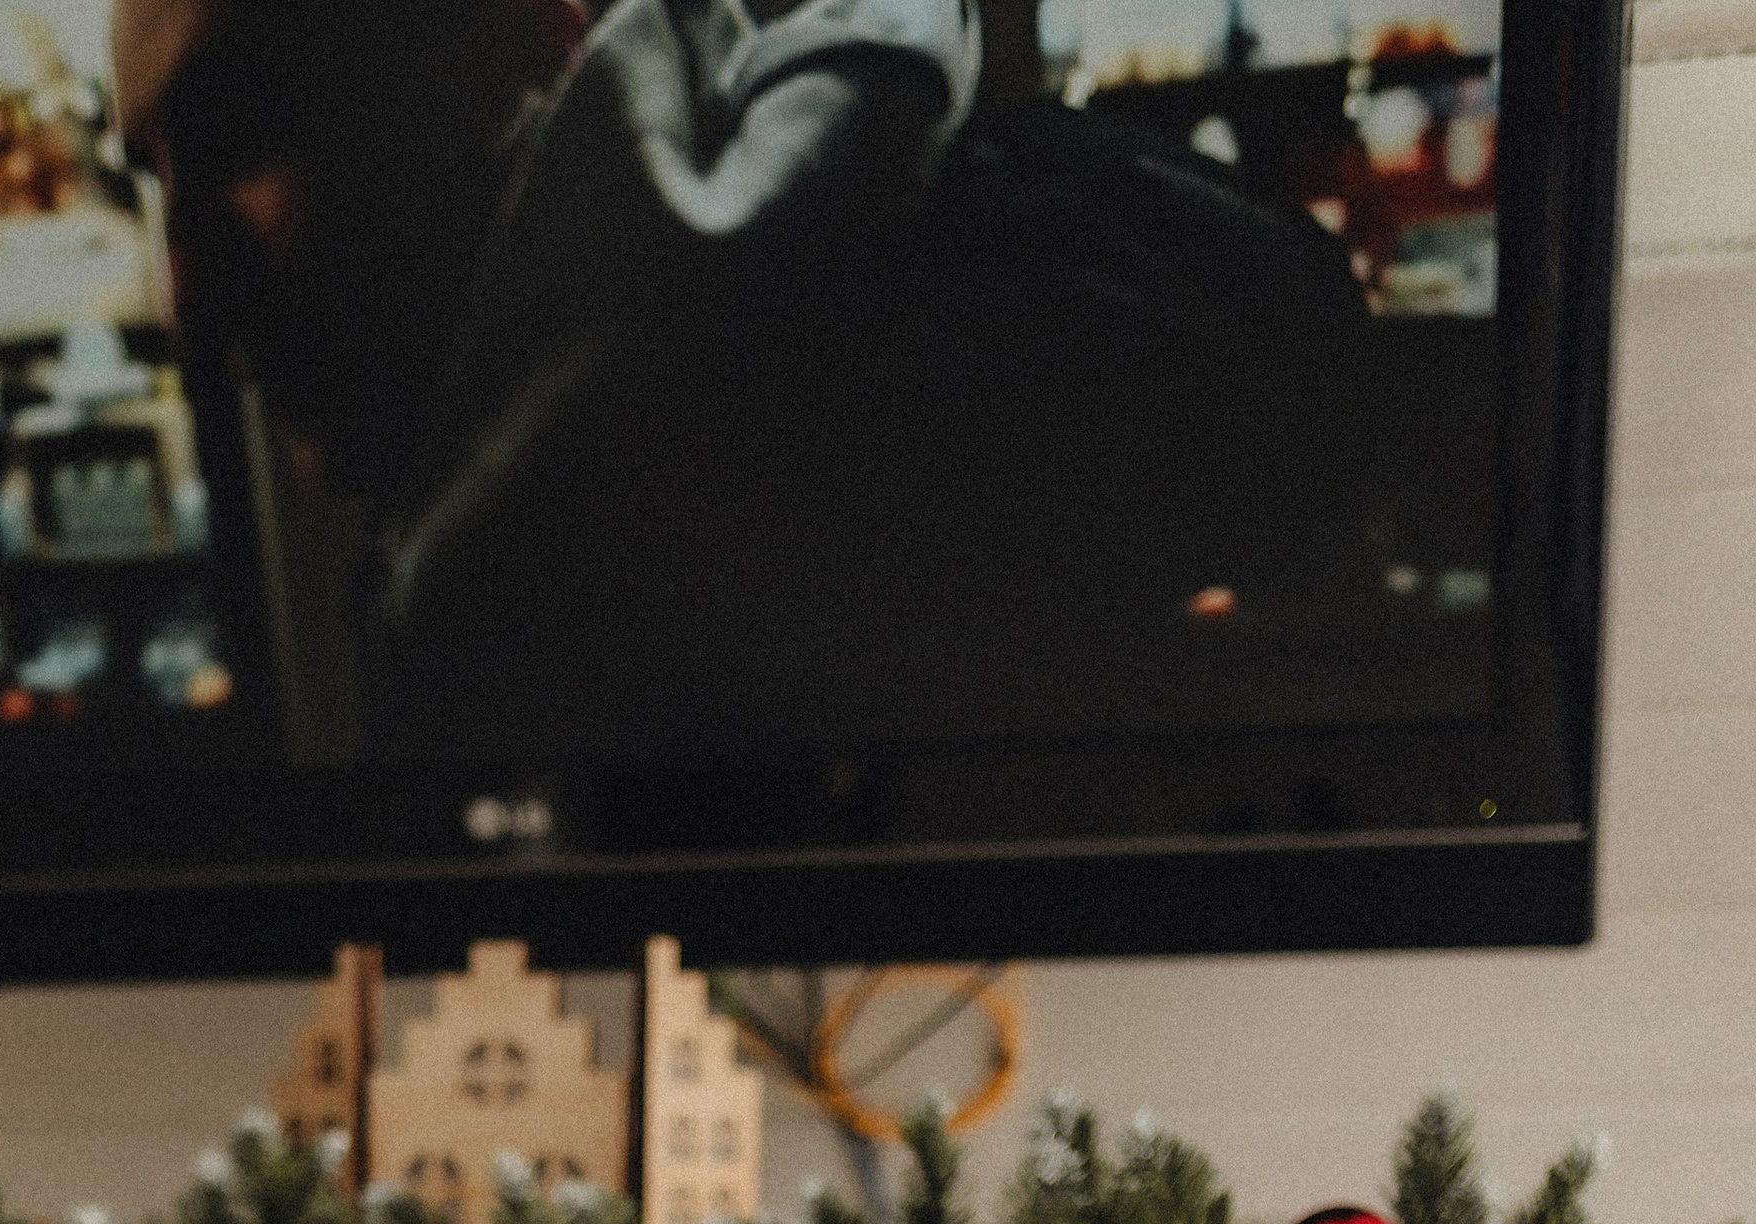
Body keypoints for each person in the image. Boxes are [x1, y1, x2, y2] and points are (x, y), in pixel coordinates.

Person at [124, 0, 1372, 759]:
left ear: (538, 32)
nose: (187, 298)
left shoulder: (931, 384)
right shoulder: (446, 562)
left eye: (242, 131)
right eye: (151, 179)